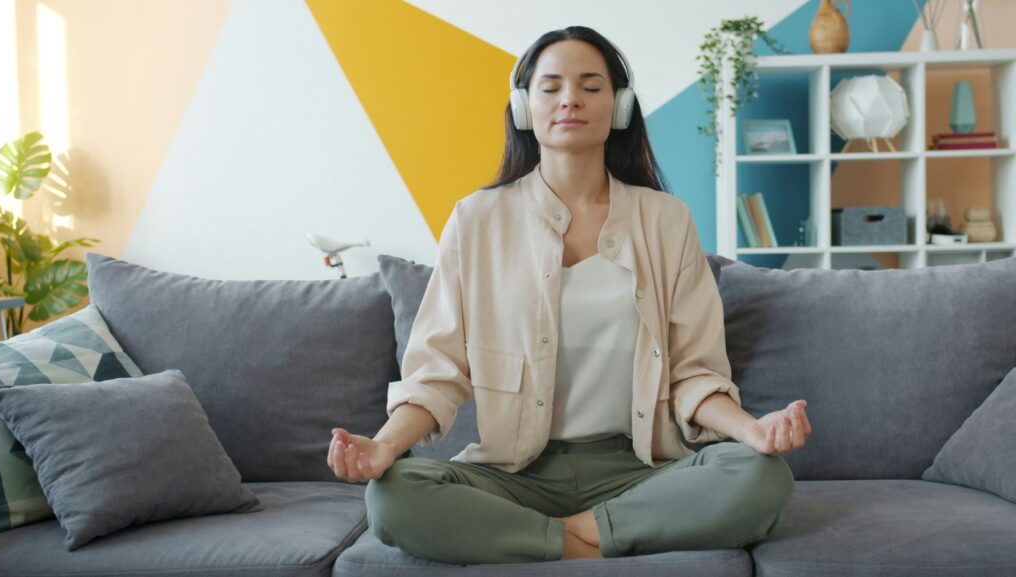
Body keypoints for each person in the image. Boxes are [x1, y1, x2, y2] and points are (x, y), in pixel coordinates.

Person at [327, 25, 812, 564]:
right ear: (523, 105)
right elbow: (437, 373)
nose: (570, 100)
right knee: (393, 496)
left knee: (760, 476)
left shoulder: (666, 221)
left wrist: (754, 431)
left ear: (620, 105)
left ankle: (542, 538)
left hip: (638, 471)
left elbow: (695, 375)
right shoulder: (476, 221)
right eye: (551, 86)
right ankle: (601, 540)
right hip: (514, 474)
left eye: (590, 86)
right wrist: (385, 448)